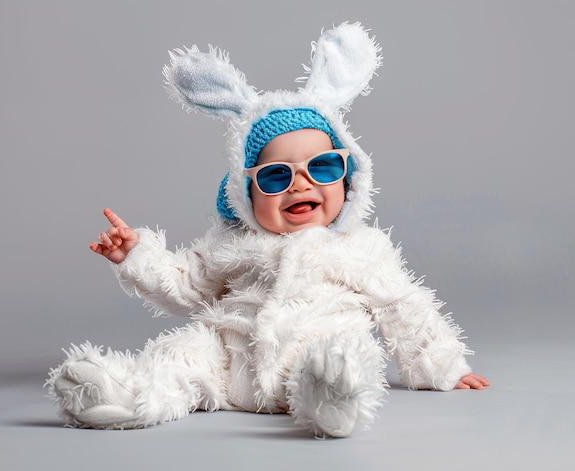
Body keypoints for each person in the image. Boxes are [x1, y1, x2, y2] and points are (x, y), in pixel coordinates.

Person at [47, 22, 489, 438]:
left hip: (310, 355)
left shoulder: (362, 247)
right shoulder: (232, 243)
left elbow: (403, 308)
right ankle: (125, 397)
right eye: (277, 176)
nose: (301, 182)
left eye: (322, 167)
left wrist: (443, 367)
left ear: (348, 177)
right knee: (180, 353)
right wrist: (137, 255)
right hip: (228, 359)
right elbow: (185, 284)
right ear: (245, 193)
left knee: (345, 357)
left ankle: (330, 399)